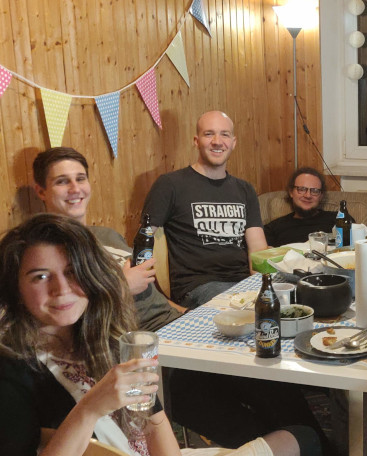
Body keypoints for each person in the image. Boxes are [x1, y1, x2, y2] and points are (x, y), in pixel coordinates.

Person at [0, 213, 317, 456]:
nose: (61, 289)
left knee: (302, 437)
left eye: (72, 272)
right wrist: (90, 407)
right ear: (15, 287)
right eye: (40, 276)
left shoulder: (104, 336)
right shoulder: (12, 371)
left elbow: (153, 421)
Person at [32, 147, 183, 331]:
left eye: (80, 179)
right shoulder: (49, 251)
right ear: (41, 192)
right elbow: (64, 318)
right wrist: (123, 286)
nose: (75, 188)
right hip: (142, 338)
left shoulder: (108, 235)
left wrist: (185, 311)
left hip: (174, 320)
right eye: (62, 182)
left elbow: (150, 293)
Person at [142, 110, 268, 309]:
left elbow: (258, 250)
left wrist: (266, 286)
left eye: (224, 134)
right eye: (209, 134)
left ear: (233, 142)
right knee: (244, 309)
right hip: (198, 286)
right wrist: (158, 300)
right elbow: (144, 243)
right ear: (196, 141)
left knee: (297, 291)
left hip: (243, 283)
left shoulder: (245, 189)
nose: (217, 141)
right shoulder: (170, 184)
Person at [263, 167, 349, 246]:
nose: (308, 195)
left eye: (315, 191)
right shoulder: (273, 228)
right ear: (291, 192)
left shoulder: (338, 219)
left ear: (321, 196)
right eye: (302, 189)